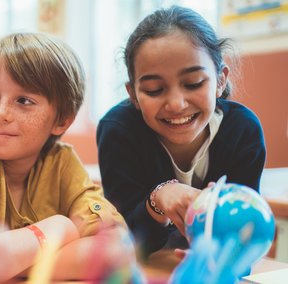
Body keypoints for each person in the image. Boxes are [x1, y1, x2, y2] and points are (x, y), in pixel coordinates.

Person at [0, 32, 130, 283]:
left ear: (62, 120)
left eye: (24, 100)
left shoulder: (61, 162)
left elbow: (116, 251)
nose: (0, 113)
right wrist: (57, 228)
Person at [96, 5, 266, 259]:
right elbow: (123, 239)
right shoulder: (118, 131)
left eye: (193, 83)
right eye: (154, 89)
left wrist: (221, 256)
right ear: (133, 95)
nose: (176, 104)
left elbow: (245, 229)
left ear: (220, 80)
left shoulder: (243, 131)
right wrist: (158, 200)